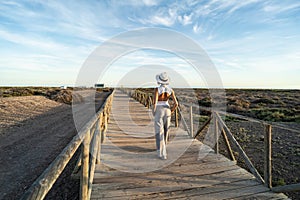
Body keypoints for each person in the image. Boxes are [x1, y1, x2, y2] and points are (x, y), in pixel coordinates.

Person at [152, 72, 178, 160]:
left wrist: (154, 112)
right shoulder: (171, 90)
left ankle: (161, 153)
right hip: (167, 110)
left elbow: (154, 103)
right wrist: (171, 111)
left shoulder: (157, 90)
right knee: (166, 130)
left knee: (159, 131)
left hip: (159, 109)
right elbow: (176, 104)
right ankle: (165, 148)